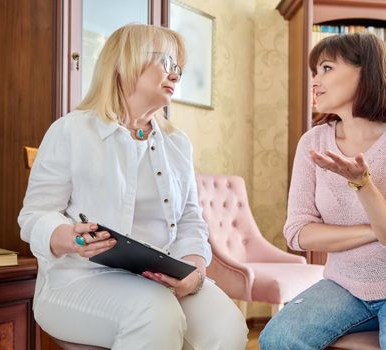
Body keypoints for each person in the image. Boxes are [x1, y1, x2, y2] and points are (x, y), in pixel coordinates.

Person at [19, 24, 247, 350]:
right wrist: (67, 237)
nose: (176, 74)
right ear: (125, 63)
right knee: (154, 313)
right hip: (77, 280)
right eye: (167, 63)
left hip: (160, 282)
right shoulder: (70, 131)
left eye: (178, 67)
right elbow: (35, 215)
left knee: (226, 326)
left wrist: (195, 273)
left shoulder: (177, 144)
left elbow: (190, 221)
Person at [259, 33, 386, 350]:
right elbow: (298, 233)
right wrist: (380, 223)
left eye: (326, 68)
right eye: (315, 71)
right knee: (277, 340)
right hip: (345, 286)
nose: (315, 80)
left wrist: (363, 185)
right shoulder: (312, 143)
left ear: (364, 71)